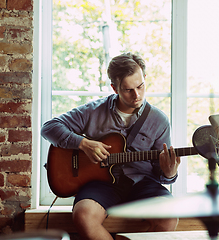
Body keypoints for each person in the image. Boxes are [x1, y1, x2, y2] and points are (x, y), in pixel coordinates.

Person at [41, 52, 181, 240]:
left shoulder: (159, 120)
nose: (136, 95)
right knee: (83, 215)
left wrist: (169, 172)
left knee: (169, 217)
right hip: (101, 184)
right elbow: (49, 128)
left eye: (140, 86)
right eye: (127, 90)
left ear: (145, 78)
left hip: (142, 183)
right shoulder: (92, 111)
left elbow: (162, 174)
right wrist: (83, 144)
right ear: (114, 88)